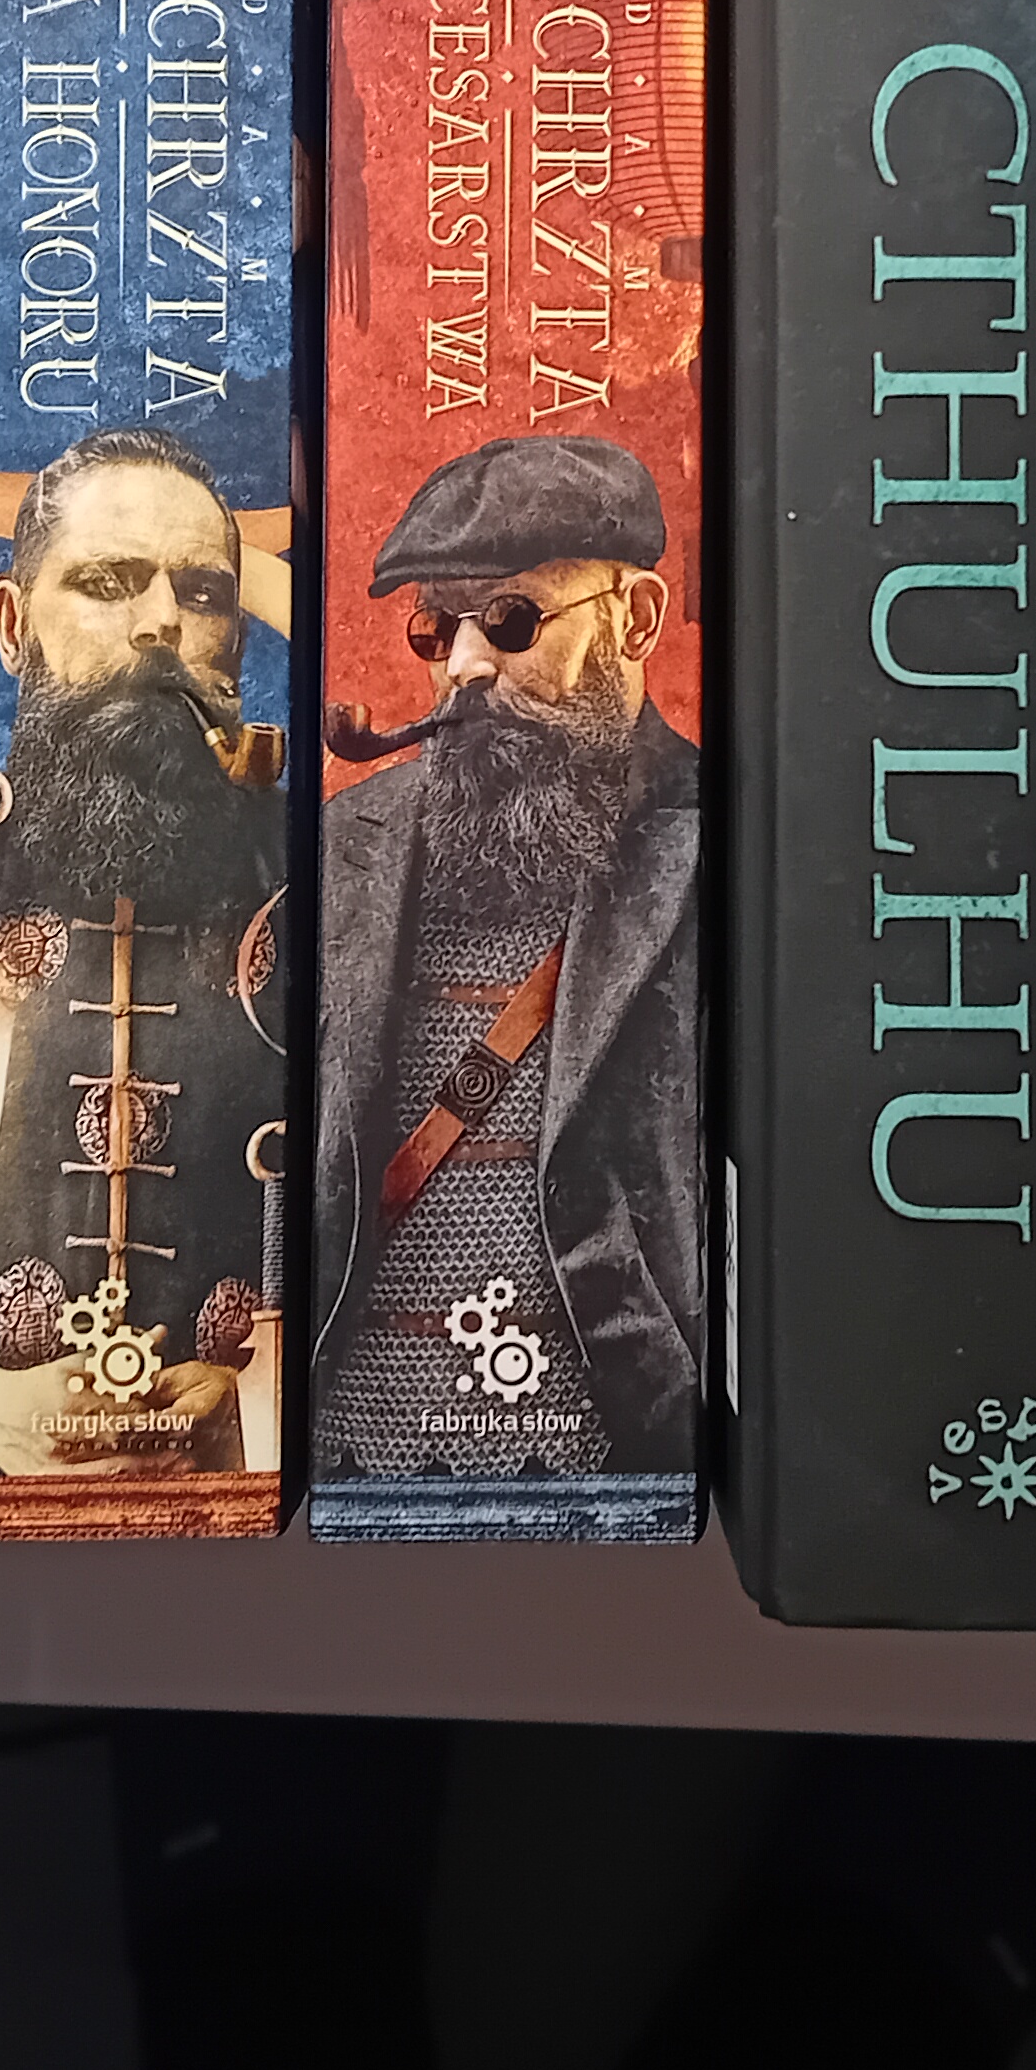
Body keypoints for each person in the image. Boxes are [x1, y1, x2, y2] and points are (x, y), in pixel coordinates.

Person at [311, 433, 705, 1484]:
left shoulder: (731, 844)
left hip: (622, 1456)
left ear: (636, 620)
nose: (465, 665)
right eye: (437, 628)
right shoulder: (346, 848)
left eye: (513, 621)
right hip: (352, 1458)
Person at [0, 427, 290, 1483]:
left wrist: (260, 1405)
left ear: (236, 638)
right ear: (12, 626)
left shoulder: (321, 875)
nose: (160, 624)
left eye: (202, 592)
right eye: (106, 583)